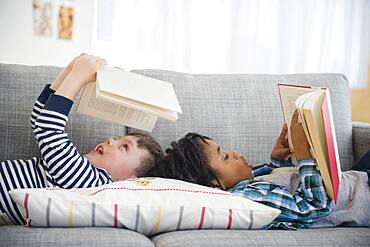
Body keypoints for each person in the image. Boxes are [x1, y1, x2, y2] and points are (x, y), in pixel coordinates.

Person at [0, 54, 164, 225]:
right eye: (116, 138)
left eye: (124, 147)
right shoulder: (80, 167)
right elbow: (38, 120)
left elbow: (48, 128)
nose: (110, 140)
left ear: (129, 181)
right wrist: (70, 70)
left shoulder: (91, 183)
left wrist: (78, 76)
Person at [146, 111, 370, 229]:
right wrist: (304, 156)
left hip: (355, 179)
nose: (233, 153)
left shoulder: (245, 187)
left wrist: (276, 162)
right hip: (363, 194)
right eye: (224, 157)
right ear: (216, 185)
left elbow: (276, 189)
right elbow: (312, 206)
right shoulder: (245, 198)